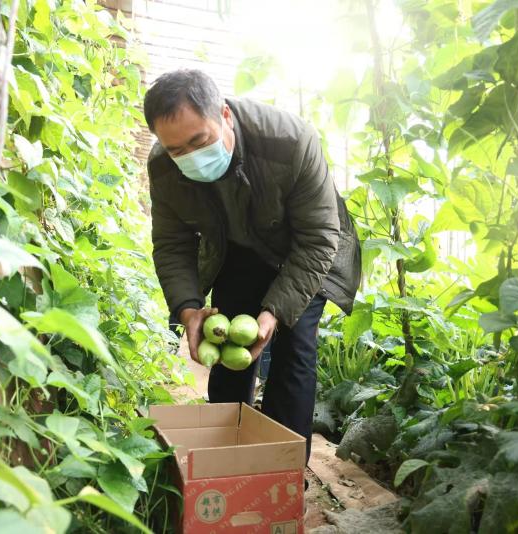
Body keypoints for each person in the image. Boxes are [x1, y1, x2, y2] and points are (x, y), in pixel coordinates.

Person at [144, 69, 361, 463]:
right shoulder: (163, 168)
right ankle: (226, 457)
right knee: (229, 345)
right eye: (177, 150)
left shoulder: (290, 141)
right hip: (239, 249)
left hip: (305, 249)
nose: (190, 156)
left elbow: (318, 237)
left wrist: (274, 312)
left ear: (225, 115)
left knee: (294, 351)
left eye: (200, 141)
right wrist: (188, 309)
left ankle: (283, 470)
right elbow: (172, 245)